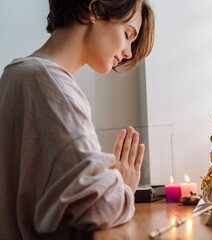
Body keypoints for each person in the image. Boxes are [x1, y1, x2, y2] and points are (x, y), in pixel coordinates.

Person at [0, 0, 154, 239]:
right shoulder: (52, 86)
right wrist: (123, 186)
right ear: (93, 10)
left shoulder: (14, 75)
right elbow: (99, 207)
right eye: (127, 34)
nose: (128, 52)